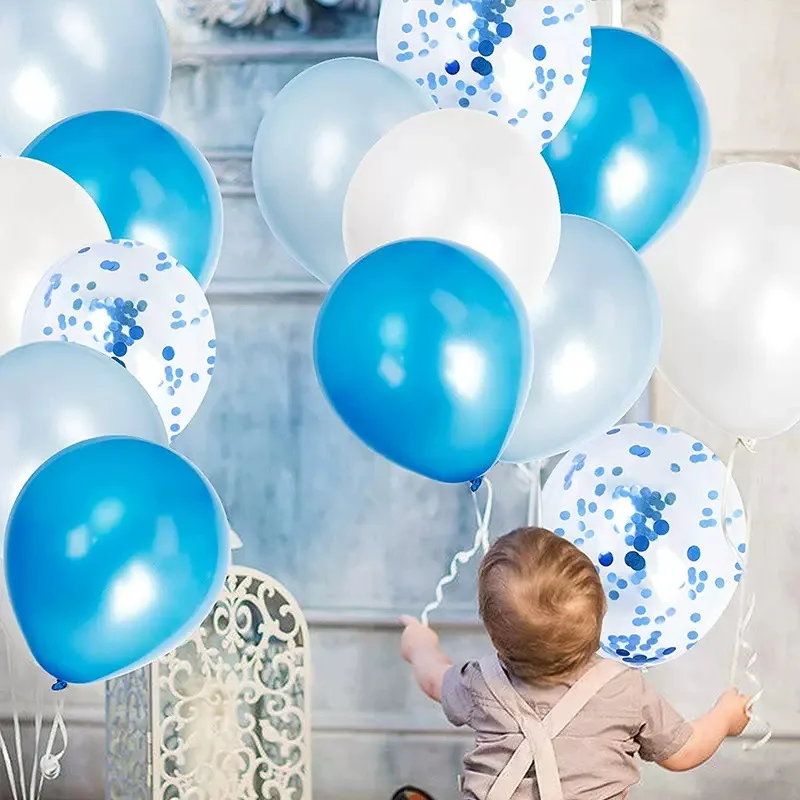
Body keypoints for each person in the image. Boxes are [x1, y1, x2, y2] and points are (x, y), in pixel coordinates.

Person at [400, 527, 750, 800]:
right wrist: (724, 716)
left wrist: (420, 644)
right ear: (602, 614)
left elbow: (432, 678)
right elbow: (683, 752)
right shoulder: (624, 687)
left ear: (494, 636)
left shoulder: (479, 682)